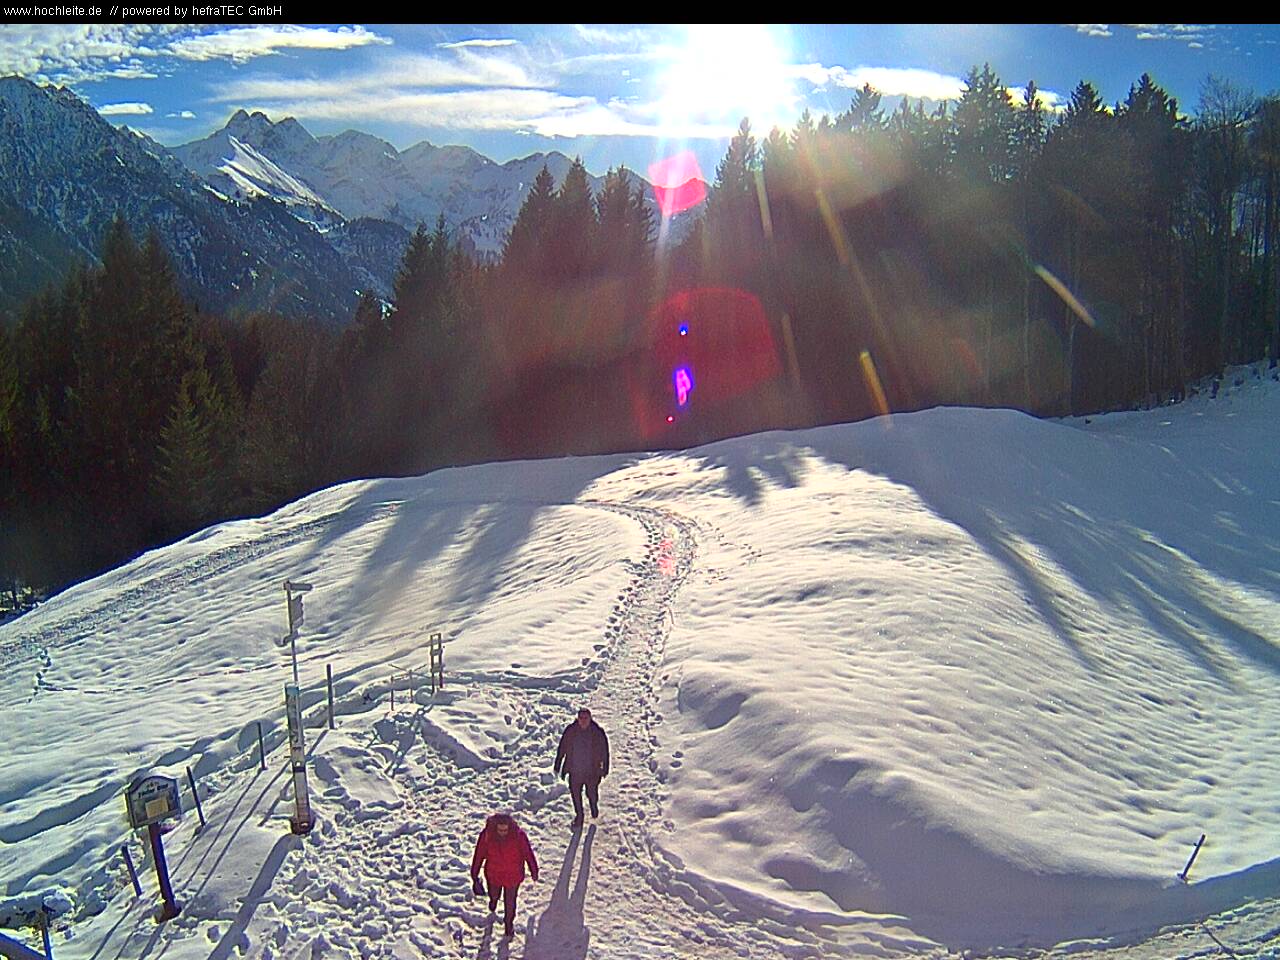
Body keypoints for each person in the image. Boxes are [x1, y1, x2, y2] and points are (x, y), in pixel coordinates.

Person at [470, 812, 539, 938]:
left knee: (510, 902)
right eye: (500, 830)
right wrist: (474, 874)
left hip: (513, 876)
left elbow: (527, 853)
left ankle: (509, 925)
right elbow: (479, 854)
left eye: (505, 830)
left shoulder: (519, 836)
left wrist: (534, 869)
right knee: (494, 894)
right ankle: (493, 902)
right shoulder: (487, 836)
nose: (503, 832)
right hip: (493, 875)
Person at [554, 707, 609, 829]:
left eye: (585, 718)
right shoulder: (571, 731)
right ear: (577, 718)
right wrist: (558, 764)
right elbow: (562, 747)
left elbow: (605, 751)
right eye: (581, 718)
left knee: (591, 793)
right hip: (575, 770)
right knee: (575, 794)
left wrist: (605, 767)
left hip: (592, 771)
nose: (583, 721)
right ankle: (579, 816)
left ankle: (593, 805)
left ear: (590, 718)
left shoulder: (597, 732)